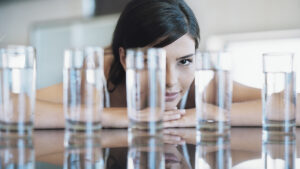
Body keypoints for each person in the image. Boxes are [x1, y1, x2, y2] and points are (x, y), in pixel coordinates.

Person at [34, 0, 299, 129]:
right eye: (152, 62)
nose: (171, 80)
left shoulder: (202, 82)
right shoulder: (102, 74)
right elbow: (8, 106)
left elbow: (294, 105)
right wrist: (124, 116)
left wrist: (209, 114)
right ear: (125, 58)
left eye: (184, 60)